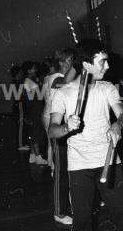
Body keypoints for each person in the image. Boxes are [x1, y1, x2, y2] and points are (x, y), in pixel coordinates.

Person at [49, 39, 123, 231]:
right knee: (82, 220)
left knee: (120, 214)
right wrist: (67, 127)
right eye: (102, 61)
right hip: (79, 165)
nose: (108, 66)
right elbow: (52, 130)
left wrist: (118, 125)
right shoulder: (62, 93)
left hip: (108, 162)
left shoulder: (107, 88)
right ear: (86, 64)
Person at [41, 49, 75, 225]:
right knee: (61, 170)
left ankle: (73, 200)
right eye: (66, 60)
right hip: (57, 126)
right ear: (60, 62)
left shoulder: (59, 77)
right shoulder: (58, 78)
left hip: (63, 125)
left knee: (67, 167)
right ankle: (59, 212)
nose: (69, 63)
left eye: (71, 60)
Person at [21, 61, 47, 165]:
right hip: (35, 108)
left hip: (35, 107)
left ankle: (32, 155)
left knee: (33, 132)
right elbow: (31, 98)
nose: (35, 70)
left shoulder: (30, 80)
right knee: (36, 132)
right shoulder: (28, 82)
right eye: (33, 68)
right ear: (28, 71)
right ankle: (38, 157)